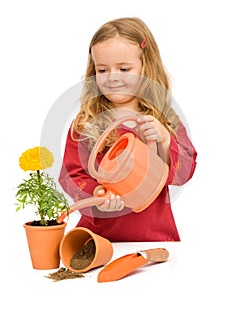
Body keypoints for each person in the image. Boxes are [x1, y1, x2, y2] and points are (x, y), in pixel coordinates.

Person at [58, 17, 197, 242]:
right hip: (97, 239)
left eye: (124, 68)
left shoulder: (164, 119)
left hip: (154, 237)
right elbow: (71, 175)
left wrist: (165, 140)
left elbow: (185, 172)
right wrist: (96, 192)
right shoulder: (86, 123)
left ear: (146, 67)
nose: (113, 77)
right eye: (102, 70)